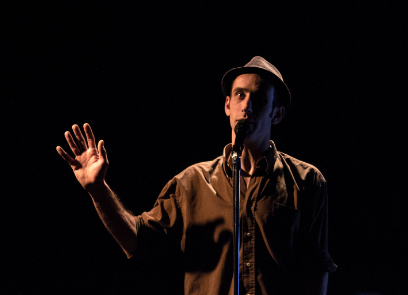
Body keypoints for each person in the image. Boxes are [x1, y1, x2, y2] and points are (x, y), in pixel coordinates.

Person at [56, 56, 336, 295]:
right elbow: (138, 241)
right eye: (240, 95)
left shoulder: (307, 181)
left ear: (277, 114)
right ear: (227, 105)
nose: (247, 106)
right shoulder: (192, 183)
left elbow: (316, 271)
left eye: (259, 99)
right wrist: (98, 189)